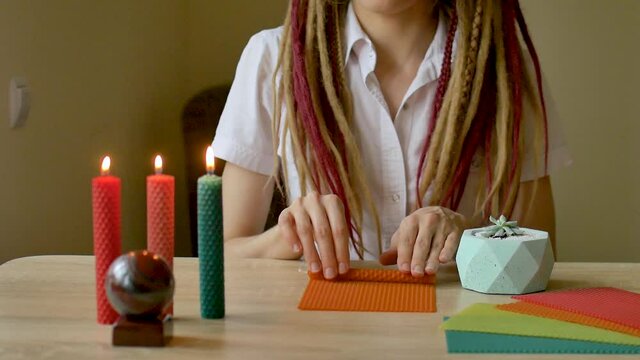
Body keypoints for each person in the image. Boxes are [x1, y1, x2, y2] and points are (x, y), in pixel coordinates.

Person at [212, 0, 571, 280]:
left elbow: (540, 254)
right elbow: (224, 252)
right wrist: (288, 236)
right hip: (320, 334)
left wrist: (468, 236)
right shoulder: (270, 57)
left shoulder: (504, 71)